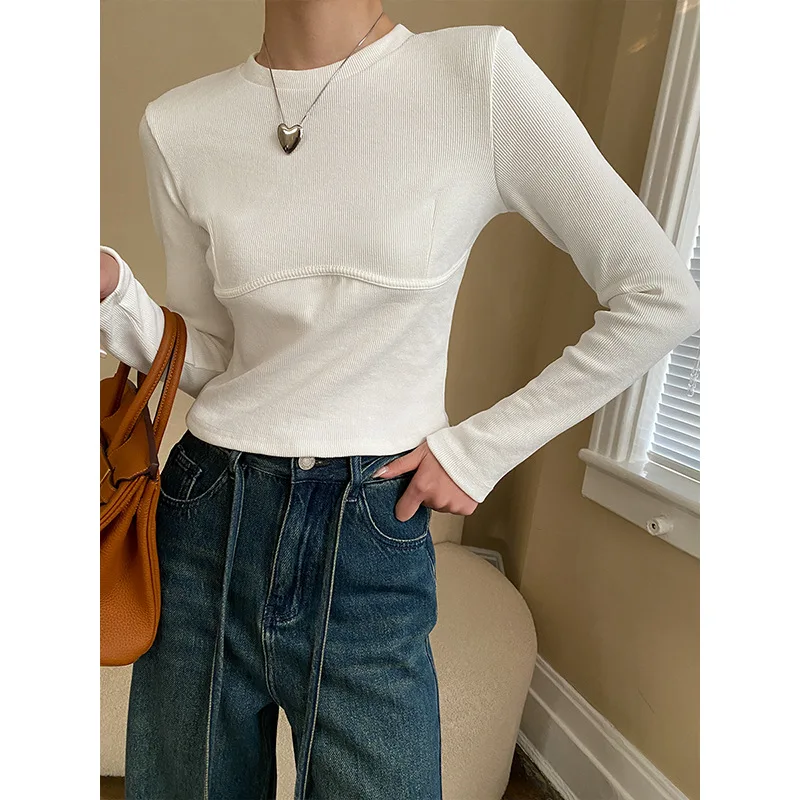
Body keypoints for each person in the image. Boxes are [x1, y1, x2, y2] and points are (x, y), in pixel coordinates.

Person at [99, 2, 701, 798]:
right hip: (205, 514)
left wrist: (478, 451)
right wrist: (113, 296)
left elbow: (660, 295)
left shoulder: (476, 77)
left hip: (369, 535)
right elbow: (215, 359)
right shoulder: (179, 125)